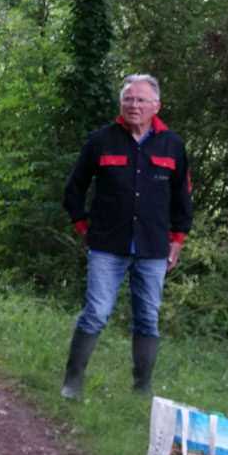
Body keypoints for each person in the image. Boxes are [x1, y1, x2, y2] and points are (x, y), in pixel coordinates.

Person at [60, 73, 192, 401]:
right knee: (96, 311)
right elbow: (73, 190)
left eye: (141, 100)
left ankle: (142, 389)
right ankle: (72, 383)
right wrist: (83, 229)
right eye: (128, 99)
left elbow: (182, 199)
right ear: (121, 103)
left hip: (153, 248)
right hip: (107, 246)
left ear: (156, 106)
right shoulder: (100, 141)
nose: (134, 105)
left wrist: (176, 241)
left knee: (147, 317)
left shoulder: (172, 145)